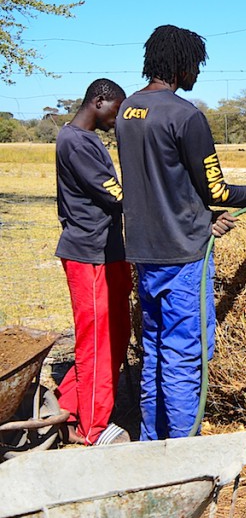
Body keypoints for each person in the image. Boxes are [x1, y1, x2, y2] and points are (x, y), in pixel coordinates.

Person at [115, 25, 246, 441]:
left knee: (156, 351)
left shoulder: (127, 110)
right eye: (195, 64)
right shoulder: (185, 114)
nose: (198, 73)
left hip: (144, 252)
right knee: (184, 355)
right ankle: (182, 451)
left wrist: (202, 214)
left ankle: (150, 441)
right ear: (180, 64)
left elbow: (165, 183)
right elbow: (217, 189)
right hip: (183, 257)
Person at [54, 78, 133, 445]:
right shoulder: (74, 142)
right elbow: (116, 196)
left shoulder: (89, 140)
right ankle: (92, 429)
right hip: (88, 255)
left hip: (109, 251)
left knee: (117, 334)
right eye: (116, 110)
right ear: (99, 102)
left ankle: (68, 404)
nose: (117, 120)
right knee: (96, 342)